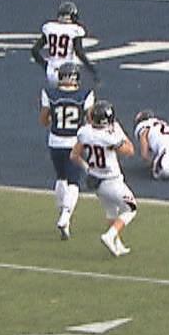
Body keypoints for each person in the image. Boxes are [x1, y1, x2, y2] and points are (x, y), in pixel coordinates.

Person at [70, 99, 137, 257]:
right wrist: (119, 139)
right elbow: (130, 151)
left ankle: (117, 244)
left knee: (111, 212)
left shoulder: (84, 132)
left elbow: (74, 155)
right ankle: (110, 235)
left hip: (95, 180)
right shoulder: (109, 137)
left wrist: (88, 169)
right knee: (131, 208)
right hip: (111, 180)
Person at [41, 62, 95, 239]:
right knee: (74, 181)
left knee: (61, 177)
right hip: (74, 142)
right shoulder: (85, 95)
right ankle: (65, 216)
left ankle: (62, 213)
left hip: (55, 141)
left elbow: (44, 120)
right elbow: (90, 119)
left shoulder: (50, 93)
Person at [31, 0, 98, 94]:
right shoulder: (75, 30)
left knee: (54, 99)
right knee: (73, 99)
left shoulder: (50, 28)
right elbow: (79, 52)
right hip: (69, 72)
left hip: (52, 72)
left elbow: (34, 50)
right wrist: (91, 69)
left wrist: (45, 65)